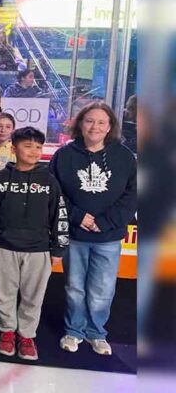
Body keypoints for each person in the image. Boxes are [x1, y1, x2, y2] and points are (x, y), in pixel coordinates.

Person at [49, 102, 137, 356]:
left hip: (108, 237)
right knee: (75, 287)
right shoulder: (64, 155)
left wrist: (106, 221)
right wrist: (77, 217)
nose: (94, 126)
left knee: (102, 289)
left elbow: (132, 195)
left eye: (101, 122)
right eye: (89, 121)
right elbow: (55, 193)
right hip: (76, 235)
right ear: (80, 124)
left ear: (110, 127)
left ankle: (96, 332)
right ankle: (74, 331)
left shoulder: (124, 157)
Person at [0, 126, 68, 361]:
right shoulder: (0, 179)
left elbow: (59, 216)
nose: (34, 151)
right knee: (4, 293)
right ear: (14, 148)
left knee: (33, 296)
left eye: (38, 147)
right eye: (28, 146)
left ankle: (27, 336)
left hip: (39, 249)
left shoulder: (50, 182)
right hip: (4, 246)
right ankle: (7, 332)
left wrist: (58, 248)